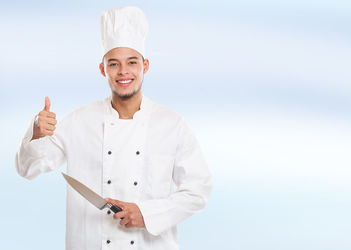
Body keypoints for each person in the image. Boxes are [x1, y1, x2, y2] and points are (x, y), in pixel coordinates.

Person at [15, 6, 212, 250]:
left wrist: (147, 214)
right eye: (113, 64)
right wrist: (37, 132)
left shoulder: (171, 124)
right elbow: (27, 169)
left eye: (132, 62)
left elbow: (198, 190)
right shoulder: (79, 121)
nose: (123, 72)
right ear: (102, 69)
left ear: (145, 65)